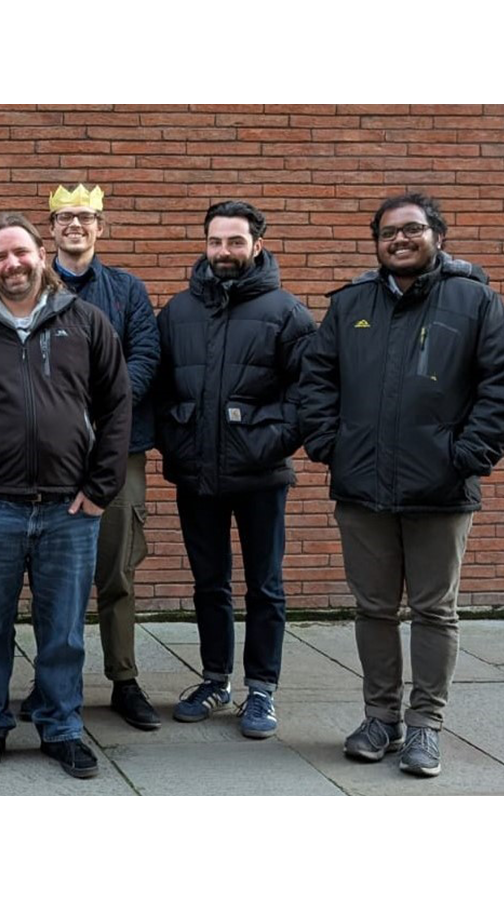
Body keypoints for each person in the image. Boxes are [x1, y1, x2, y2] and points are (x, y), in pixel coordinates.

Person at [301, 192, 504, 777]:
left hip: (441, 490)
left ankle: (426, 726)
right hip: (362, 489)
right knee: (373, 608)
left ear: (437, 234)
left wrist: (466, 455)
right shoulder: (351, 303)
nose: (399, 240)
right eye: (387, 233)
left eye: (411, 230)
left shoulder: (475, 301)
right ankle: (380, 717)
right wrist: (331, 445)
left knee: (434, 611)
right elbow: (316, 379)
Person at [0, 212, 130, 780]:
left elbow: (117, 408)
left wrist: (99, 489)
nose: (12, 263)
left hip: (70, 508)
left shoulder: (86, 322)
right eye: (0, 256)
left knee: (63, 628)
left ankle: (61, 726)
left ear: (40, 255)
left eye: (21, 252)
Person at [154, 200, 316, 740]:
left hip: (261, 476)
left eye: (235, 242)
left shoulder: (287, 313)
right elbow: (159, 389)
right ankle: (215, 679)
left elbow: (308, 395)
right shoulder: (177, 311)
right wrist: (176, 437)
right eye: (215, 242)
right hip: (196, 473)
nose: (224, 252)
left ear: (257, 245)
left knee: (265, 586)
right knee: (209, 583)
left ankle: (262, 689)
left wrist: (266, 442)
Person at [44, 183, 162, 731]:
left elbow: (145, 356)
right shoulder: (31, 285)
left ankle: (124, 678)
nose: (76, 226)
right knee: (46, 574)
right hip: (44, 452)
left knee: (117, 570)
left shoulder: (126, 289)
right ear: (52, 229)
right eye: (66, 217)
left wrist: (99, 411)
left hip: (117, 448)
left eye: (86, 218)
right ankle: (50, 682)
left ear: (100, 227)